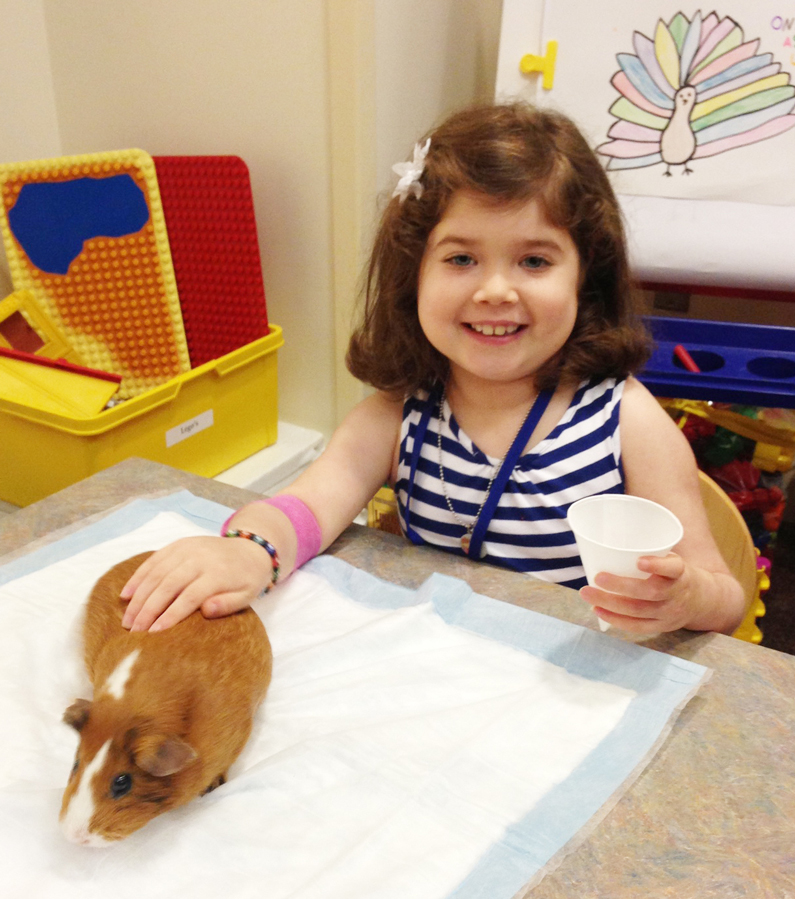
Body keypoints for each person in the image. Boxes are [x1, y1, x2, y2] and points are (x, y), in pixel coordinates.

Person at [121, 101, 745, 636]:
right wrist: (247, 552)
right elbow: (306, 504)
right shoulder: (398, 415)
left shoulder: (625, 419)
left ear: (587, 276)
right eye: (461, 258)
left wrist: (687, 598)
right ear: (413, 272)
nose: (496, 290)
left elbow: (724, 596)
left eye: (533, 260)